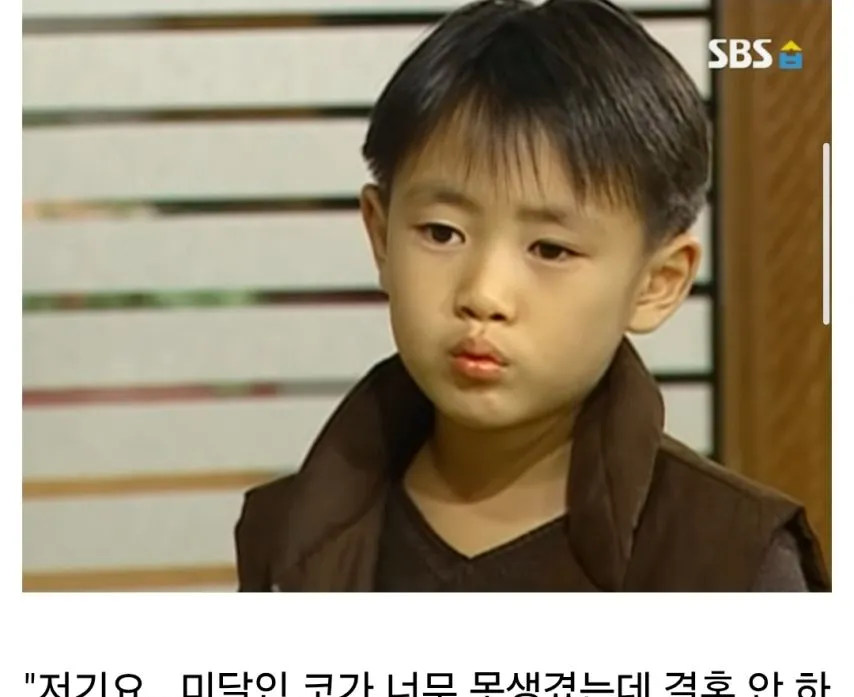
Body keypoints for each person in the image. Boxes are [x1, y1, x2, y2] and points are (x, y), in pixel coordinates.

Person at [234, 0, 829, 592]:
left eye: (550, 249)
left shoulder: (732, 558)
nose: (483, 295)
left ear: (657, 283)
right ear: (380, 234)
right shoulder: (288, 535)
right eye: (442, 233)